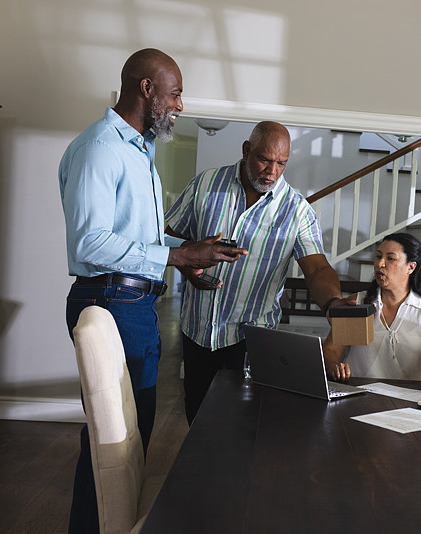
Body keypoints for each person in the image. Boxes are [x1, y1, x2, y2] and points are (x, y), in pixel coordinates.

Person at [59, 48, 246, 533]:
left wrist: (188, 253)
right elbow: (91, 241)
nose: (181, 105)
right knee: (112, 441)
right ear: (146, 89)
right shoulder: (101, 147)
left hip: (132, 301)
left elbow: (139, 239)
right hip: (110, 301)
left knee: (128, 439)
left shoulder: (138, 149)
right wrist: (178, 257)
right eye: (176, 92)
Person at [165, 121, 351, 424]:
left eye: (281, 163)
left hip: (250, 342)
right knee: (196, 421)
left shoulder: (297, 211)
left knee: (242, 431)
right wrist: (189, 260)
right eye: (265, 159)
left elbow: (316, 267)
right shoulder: (206, 185)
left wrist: (333, 302)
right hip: (196, 333)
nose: (272, 171)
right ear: (246, 150)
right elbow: (167, 236)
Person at [323, 233, 421, 394]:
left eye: (390, 258)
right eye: (378, 256)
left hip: (410, 398)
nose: (380, 264)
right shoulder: (358, 303)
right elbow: (330, 350)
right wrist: (333, 366)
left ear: (411, 267)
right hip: (357, 394)